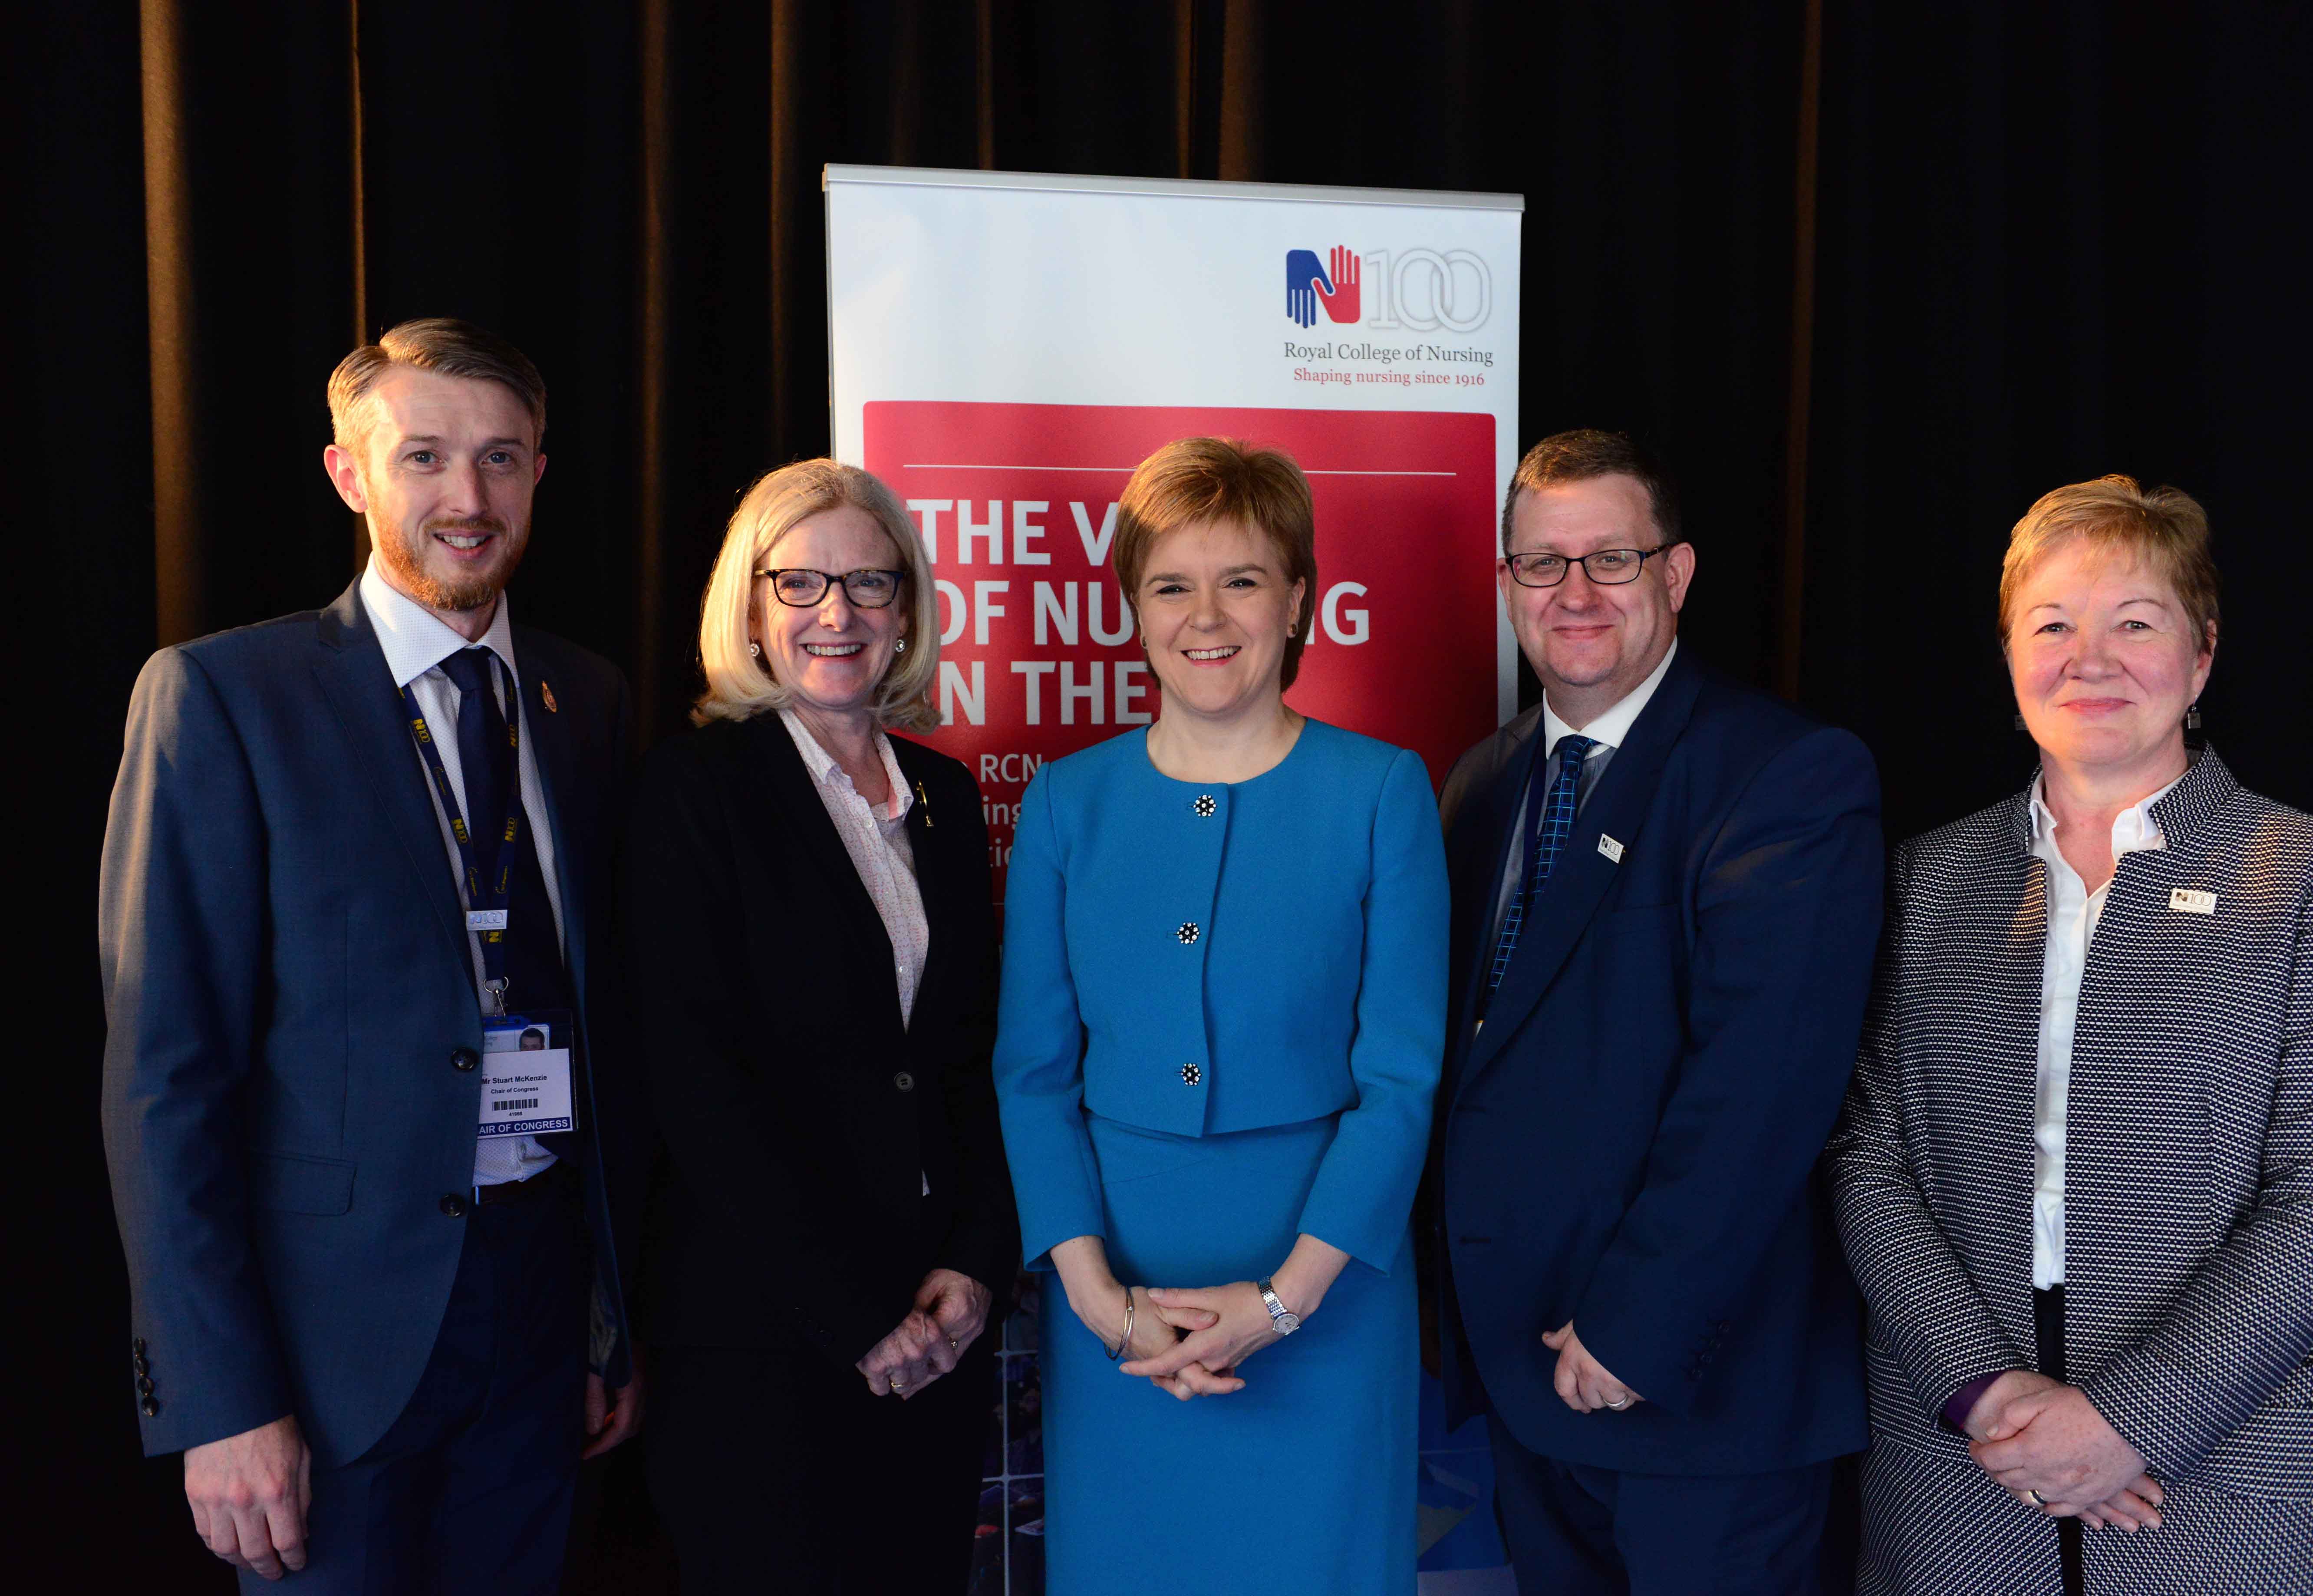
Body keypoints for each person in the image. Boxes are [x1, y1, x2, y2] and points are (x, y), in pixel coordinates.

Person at [99, 319, 644, 1591]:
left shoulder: (588, 703)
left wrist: (606, 1317)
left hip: (540, 1326)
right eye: (426, 457)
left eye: (503, 458)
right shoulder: (224, 700)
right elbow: (161, 1080)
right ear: (351, 474)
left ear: (540, 475)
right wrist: (218, 1398)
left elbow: (598, 1026)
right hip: (324, 1361)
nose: (468, 497)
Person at [1827, 475, 2313, 1595]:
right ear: (2008, 654)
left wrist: (2133, 1421)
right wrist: (1987, 1397)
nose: (2091, 660)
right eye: (2053, 625)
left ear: (2203, 656)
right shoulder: (1927, 882)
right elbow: (1866, 1163)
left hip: (2246, 1471)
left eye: (2136, 622)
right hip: (1967, 1470)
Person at [1429, 429, 1884, 1593]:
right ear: (1506, 585)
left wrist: (1638, 1323)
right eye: (1542, 564)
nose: (1574, 593)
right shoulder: (1485, 783)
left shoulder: (1784, 775)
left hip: (1696, 1395)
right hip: (1531, 1385)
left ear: (1675, 576)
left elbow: (1761, 1088)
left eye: (1610, 559)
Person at [992, 437, 1448, 1593]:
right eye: (1171, 584)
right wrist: (1099, 1305)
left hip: (1328, 1298)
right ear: (1132, 608)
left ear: (1297, 598)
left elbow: (1401, 1079)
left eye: (1242, 578)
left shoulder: (1384, 791)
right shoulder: (1067, 801)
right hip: (1118, 1316)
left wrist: (1285, 1302)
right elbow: (1033, 1072)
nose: (1208, 615)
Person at [624, 458, 1018, 1593]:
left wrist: (975, 1267)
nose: (835, 614)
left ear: (908, 608)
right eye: (798, 583)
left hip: (937, 1334)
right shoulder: (695, 789)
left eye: (867, 583)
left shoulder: (944, 800)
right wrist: (858, 1315)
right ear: (749, 607)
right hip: (767, 1343)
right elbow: (700, 1086)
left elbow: (977, 1055)